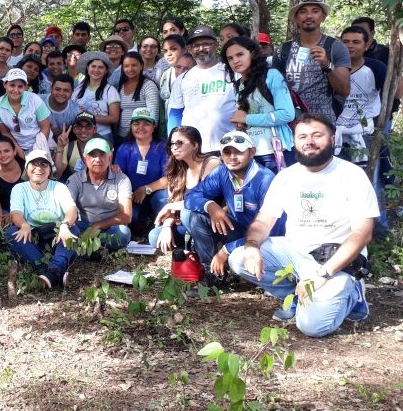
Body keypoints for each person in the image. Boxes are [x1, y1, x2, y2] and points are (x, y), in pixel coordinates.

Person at [227, 114, 377, 336]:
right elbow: (264, 220)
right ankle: (297, 294)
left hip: (336, 258)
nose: (309, 142)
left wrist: (323, 275)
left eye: (317, 135)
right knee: (238, 258)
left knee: (312, 327)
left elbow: (362, 234)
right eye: (303, 136)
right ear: (294, 141)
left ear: (333, 139)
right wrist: (251, 246)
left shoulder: (351, 175)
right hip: (296, 253)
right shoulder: (287, 177)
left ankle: (353, 294)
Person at [184, 131, 282, 283]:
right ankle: (213, 275)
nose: (232, 157)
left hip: (265, 241)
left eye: (239, 152)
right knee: (195, 216)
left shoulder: (265, 179)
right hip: (239, 232)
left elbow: (273, 232)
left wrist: (227, 249)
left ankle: (241, 267)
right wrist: (210, 206)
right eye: (227, 152)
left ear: (252, 152)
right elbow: (191, 197)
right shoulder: (222, 171)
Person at [5, 150, 81, 290]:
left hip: (57, 237)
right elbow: (15, 212)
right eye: (34, 164)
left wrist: (64, 225)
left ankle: (51, 273)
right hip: (32, 237)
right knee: (11, 233)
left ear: (50, 169)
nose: (39, 168)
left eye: (44, 164)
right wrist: (24, 225)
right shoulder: (19, 188)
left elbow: (71, 210)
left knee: (74, 229)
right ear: (27, 168)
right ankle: (54, 271)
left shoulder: (59, 187)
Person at [271, 0, 351, 124]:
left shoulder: (335, 47)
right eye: (303, 12)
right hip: (289, 122)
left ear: (323, 17)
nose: (309, 16)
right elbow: (274, 88)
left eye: (315, 11)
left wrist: (327, 65)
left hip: (323, 124)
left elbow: (344, 90)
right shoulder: (283, 50)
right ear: (296, 18)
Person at [221, 36, 295, 170]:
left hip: (277, 151)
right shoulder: (238, 85)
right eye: (230, 58)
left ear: (253, 54)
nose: (235, 61)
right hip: (251, 153)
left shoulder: (271, 75)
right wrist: (242, 123)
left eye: (240, 54)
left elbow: (287, 114)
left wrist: (247, 118)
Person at [168, 25, 236, 154]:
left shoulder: (232, 73)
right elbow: (175, 114)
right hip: (193, 149)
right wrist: (174, 144)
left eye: (206, 44)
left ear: (215, 45)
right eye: (196, 45)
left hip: (230, 146)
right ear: (189, 49)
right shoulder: (183, 79)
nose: (201, 49)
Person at [150, 126, 221, 251]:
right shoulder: (177, 171)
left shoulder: (211, 163)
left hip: (213, 222)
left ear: (195, 145)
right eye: (172, 144)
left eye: (180, 143)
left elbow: (202, 200)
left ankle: (207, 250)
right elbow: (172, 209)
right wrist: (166, 227)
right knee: (155, 236)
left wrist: (170, 206)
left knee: (188, 213)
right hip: (187, 224)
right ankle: (190, 246)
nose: (174, 147)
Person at [66, 138, 132, 251]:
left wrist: (98, 225)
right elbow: (67, 207)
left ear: (110, 158)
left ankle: (87, 249)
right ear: (84, 158)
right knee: (68, 228)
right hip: (84, 226)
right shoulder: (74, 180)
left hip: (110, 227)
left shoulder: (121, 179)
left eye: (102, 155)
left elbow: (126, 216)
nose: (97, 159)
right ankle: (95, 249)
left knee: (123, 233)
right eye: (92, 155)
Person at [114, 108, 168, 236]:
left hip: (155, 193)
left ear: (154, 127)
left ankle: (163, 229)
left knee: (162, 198)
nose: (141, 127)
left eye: (146, 124)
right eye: (136, 123)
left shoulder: (162, 147)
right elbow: (119, 177)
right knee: (134, 217)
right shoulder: (124, 148)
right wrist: (130, 195)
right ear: (131, 126)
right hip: (132, 196)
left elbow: (169, 178)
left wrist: (146, 189)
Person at [335, 26, 385, 165]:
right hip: (335, 133)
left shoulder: (376, 68)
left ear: (366, 45)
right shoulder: (331, 68)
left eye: (356, 42)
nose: (350, 45)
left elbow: (396, 93)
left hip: (366, 132)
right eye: (345, 42)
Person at [0, 68, 52, 158]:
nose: (16, 90)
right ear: (5, 84)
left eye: (20, 86)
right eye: (12, 85)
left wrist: (37, 150)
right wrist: (19, 151)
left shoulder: (35, 100)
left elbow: (45, 127)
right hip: (15, 144)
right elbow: (5, 132)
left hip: (40, 142)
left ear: (25, 87)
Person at [73, 51, 120, 142]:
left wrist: (89, 117)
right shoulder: (77, 90)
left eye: (101, 67)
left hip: (102, 136)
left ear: (106, 70)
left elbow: (114, 118)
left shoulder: (110, 91)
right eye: (93, 66)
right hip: (79, 136)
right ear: (88, 68)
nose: (96, 70)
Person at [117, 51, 160, 140]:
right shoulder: (121, 85)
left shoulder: (148, 85)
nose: (130, 69)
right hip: (121, 135)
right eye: (126, 66)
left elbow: (153, 114)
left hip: (141, 136)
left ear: (141, 66)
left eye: (134, 65)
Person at [0, 136, 24, 231]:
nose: (3, 155)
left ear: (14, 151)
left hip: (27, 208)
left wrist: (15, 215)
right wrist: (0, 217)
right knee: (1, 227)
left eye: (7, 151)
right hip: (6, 211)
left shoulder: (26, 167)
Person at [54, 111, 97, 181]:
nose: (83, 130)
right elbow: (57, 176)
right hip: (74, 186)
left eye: (88, 127)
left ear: (94, 129)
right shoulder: (69, 147)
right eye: (79, 126)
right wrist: (60, 147)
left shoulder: (101, 147)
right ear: (74, 129)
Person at [46, 74, 81, 140]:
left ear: (72, 92)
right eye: (57, 89)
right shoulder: (38, 101)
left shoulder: (76, 111)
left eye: (66, 90)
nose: (61, 93)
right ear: (51, 89)